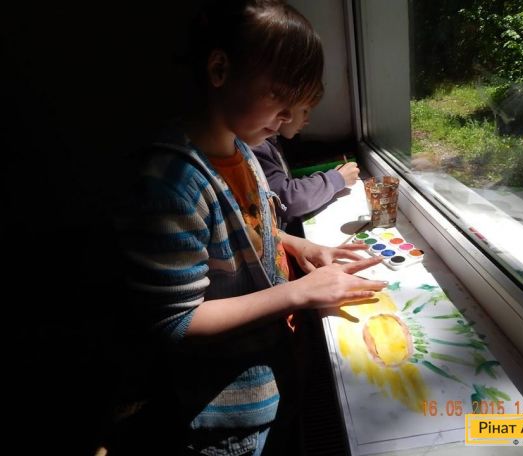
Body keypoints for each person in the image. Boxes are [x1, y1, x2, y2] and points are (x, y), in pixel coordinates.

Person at [114, 1, 386, 454]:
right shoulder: (169, 187)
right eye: (280, 96)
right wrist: (298, 293)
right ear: (220, 69)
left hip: (276, 373)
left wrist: (297, 245)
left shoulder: (242, 149)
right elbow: (175, 321)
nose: (289, 117)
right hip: (228, 418)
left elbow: (246, 227)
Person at [253, 100, 360, 229]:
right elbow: (287, 200)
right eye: (304, 111)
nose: (307, 120)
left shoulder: (272, 142)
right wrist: (337, 179)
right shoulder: (257, 146)